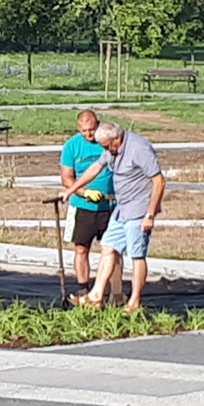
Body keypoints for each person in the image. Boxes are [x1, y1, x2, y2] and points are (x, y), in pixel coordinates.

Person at [59, 122, 166, 313]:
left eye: (108, 146)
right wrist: (72, 190)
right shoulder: (111, 148)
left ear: (117, 138)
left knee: (136, 255)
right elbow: (95, 168)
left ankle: (134, 302)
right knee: (108, 247)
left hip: (139, 210)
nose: (106, 150)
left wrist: (150, 214)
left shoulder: (139, 149)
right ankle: (96, 296)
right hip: (122, 209)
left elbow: (159, 181)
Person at [59, 110, 124, 304]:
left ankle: (116, 292)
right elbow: (67, 178)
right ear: (79, 129)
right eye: (85, 131)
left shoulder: (107, 142)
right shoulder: (72, 147)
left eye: (92, 129)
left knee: (113, 249)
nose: (89, 134)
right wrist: (83, 192)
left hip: (110, 204)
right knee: (81, 249)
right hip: (83, 206)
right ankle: (83, 290)